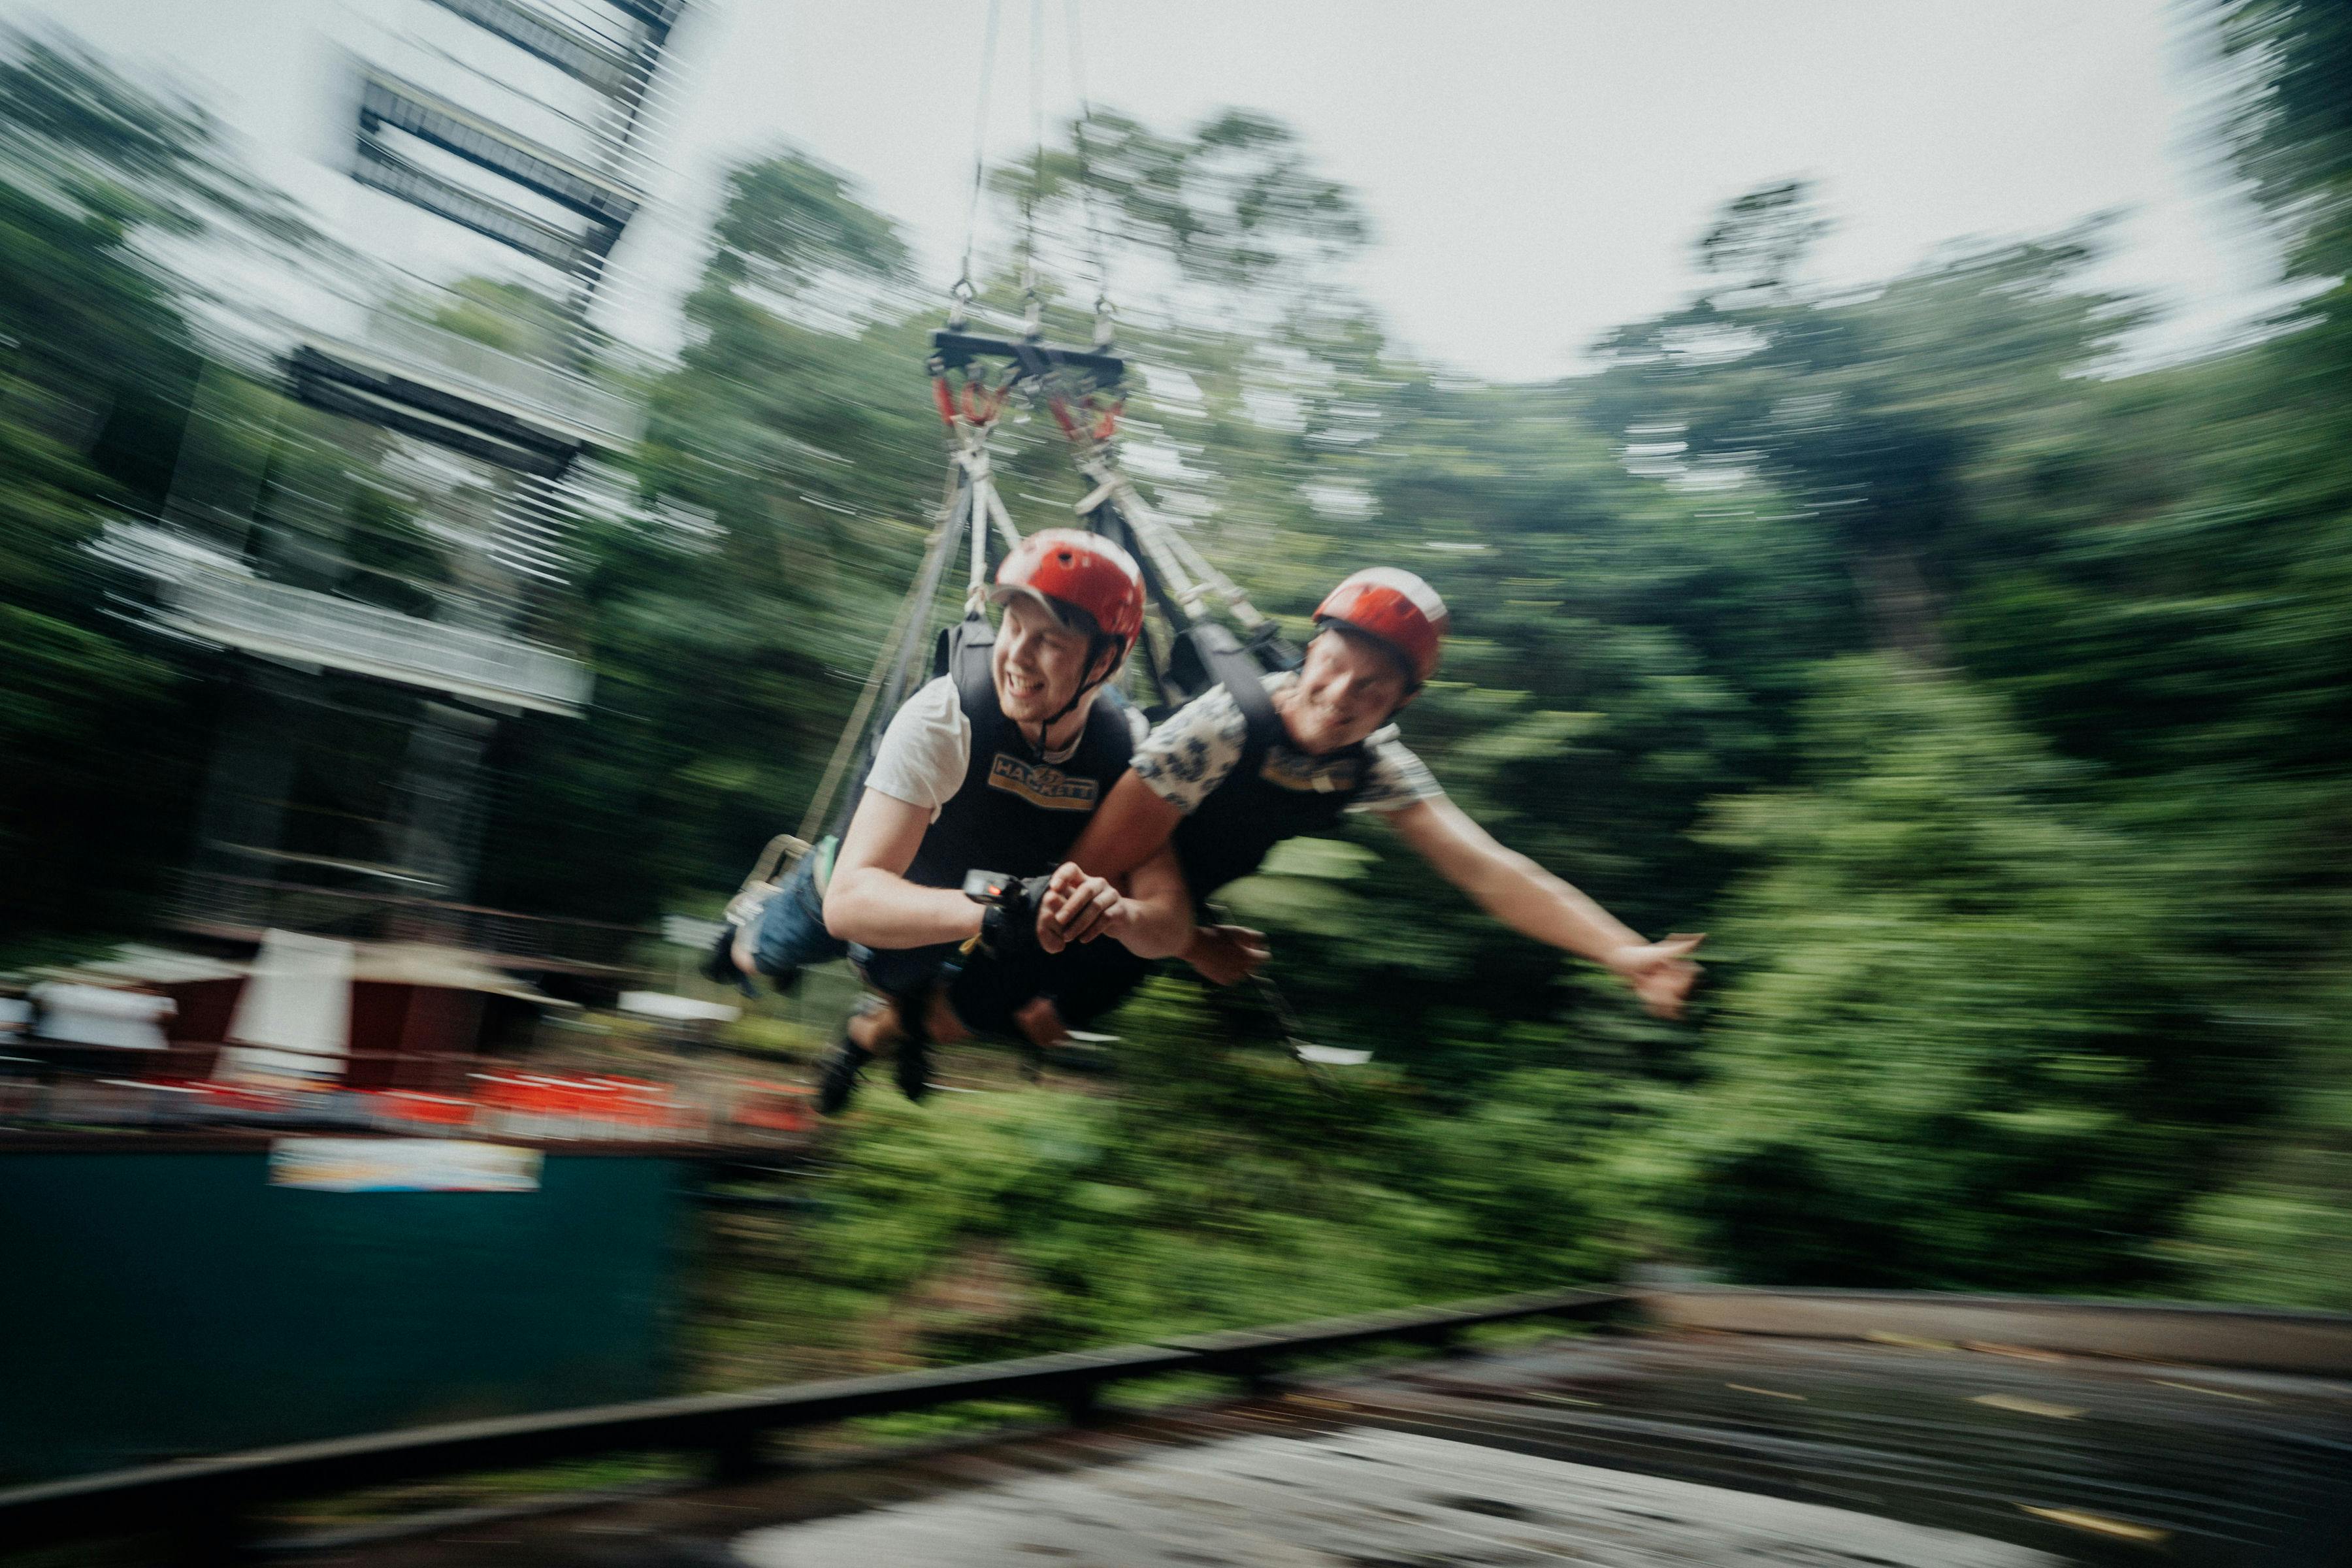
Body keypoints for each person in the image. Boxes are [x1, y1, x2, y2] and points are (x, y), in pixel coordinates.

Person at [1036, 568, 1705, 1021]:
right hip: (1119, 859)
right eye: (1332, 667)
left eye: (1372, 687)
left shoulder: (1376, 763)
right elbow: (1091, 859)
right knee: (1041, 992)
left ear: (1402, 702)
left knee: (1077, 1002)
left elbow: (1489, 869)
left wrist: (1620, 950)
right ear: (1310, 653)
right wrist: (1190, 944)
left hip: (1168, 898)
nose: (1340, 697)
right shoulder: (1220, 729)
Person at [805, 528, 1195, 1113]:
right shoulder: (944, 715)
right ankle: (757, 946)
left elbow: (1170, 928)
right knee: (766, 952)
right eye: (1013, 626)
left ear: (1106, 660)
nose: (1015, 654)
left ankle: (869, 1044)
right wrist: (995, 915)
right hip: (884, 877)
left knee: (969, 1007)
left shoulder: (1127, 747)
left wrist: (1113, 912)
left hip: (996, 902)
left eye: (1051, 641)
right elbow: (848, 902)